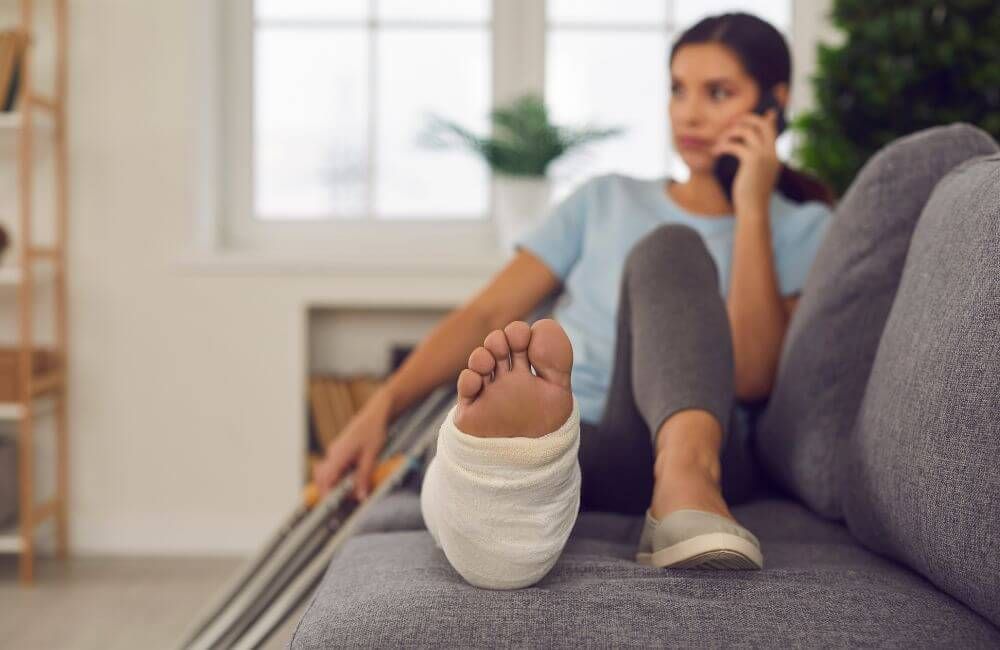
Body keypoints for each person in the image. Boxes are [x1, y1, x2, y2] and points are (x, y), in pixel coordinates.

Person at [311, 12, 835, 584]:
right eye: (677, 89)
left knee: (671, 250)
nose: (689, 113)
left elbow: (755, 377)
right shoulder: (604, 199)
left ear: (774, 103)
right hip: (580, 439)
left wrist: (752, 207)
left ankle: (686, 481)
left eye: (718, 92)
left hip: (706, 449)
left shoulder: (801, 226)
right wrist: (379, 408)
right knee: (500, 442)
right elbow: (488, 313)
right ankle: (506, 476)